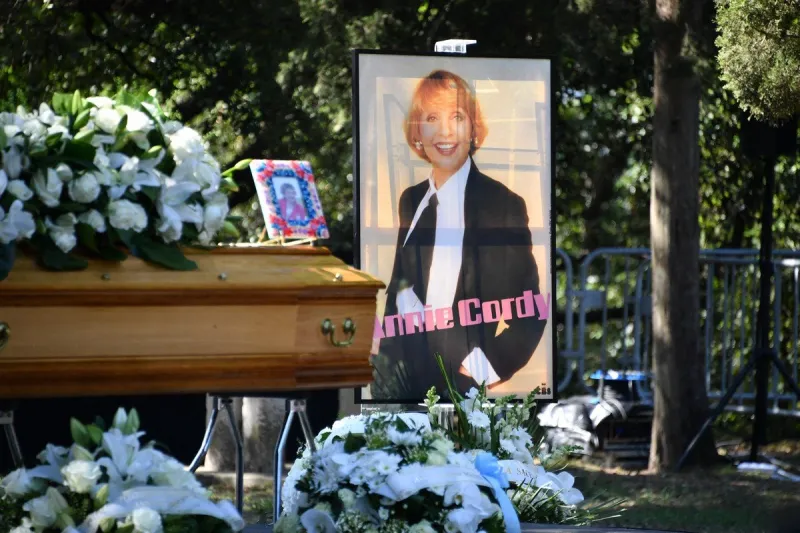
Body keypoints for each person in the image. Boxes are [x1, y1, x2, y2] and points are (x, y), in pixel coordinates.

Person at [372, 69, 547, 400]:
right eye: (431, 117)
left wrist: (479, 370)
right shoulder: (411, 200)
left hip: (462, 388)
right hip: (403, 387)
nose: (444, 130)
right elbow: (399, 289)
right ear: (418, 133)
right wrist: (385, 373)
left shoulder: (502, 204)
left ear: (473, 129)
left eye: (457, 116)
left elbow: (531, 309)